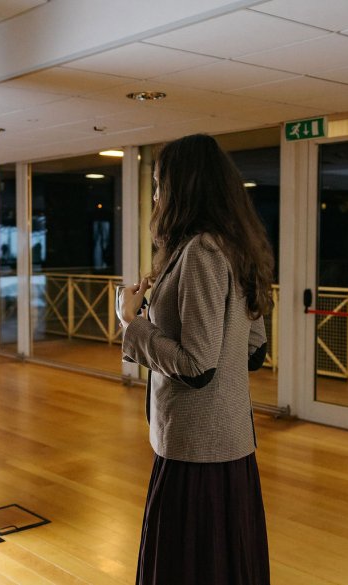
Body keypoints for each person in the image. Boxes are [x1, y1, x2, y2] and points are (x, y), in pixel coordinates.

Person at [118, 134, 273, 585]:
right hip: (228, 444)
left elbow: (197, 365)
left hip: (196, 449)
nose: (154, 196)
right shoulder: (235, 246)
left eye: (159, 183)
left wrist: (132, 323)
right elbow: (253, 348)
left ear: (182, 188)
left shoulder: (201, 252)